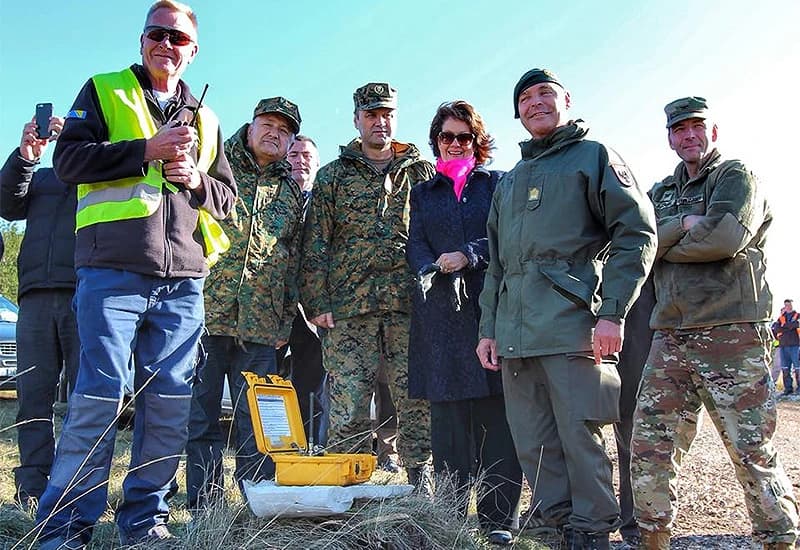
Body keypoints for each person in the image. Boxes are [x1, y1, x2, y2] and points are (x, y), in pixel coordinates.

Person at [33, 1, 236, 547]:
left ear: (193, 52)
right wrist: (146, 149)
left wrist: (193, 176)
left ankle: (145, 522)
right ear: (141, 40)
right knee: (99, 395)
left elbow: (227, 201)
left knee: (170, 405)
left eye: (178, 38)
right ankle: (65, 527)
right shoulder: (103, 89)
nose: (166, 44)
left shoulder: (210, 120)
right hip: (110, 273)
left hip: (183, 282)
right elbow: (68, 163)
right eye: (157, 33)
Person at [476, 68, 657, 550]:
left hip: (573, 324)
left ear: (566, 100)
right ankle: (552, 531)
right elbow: (497, 265)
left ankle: (594, 532)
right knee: (534, 443)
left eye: (545, 94)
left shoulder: (593, 157)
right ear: (517, 112)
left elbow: (635, 234)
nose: (535, 103)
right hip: (516, 335)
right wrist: (488, 329)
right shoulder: (510, 180)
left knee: (582, 437)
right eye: (525, 98)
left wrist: (612, 311)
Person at [631, 96, 799, 550]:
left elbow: (725, 238)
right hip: (670, 336)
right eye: (679, 129)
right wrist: (684, 224)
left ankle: (779, 539)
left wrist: (668, 241)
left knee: (752, 452)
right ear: (668, 137)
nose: (688, 135)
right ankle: (652, 540)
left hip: (733, 334)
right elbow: (640, 244)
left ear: (713, 131)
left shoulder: (735, 176)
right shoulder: (662, 191)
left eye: (696, 127)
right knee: (649, 450)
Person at [300, 82, 434, 484]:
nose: (380, 122)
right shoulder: (333, 177)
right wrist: (316, 302)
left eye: (387, 114)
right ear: (357, 120)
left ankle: (420, 482)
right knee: (349, 401)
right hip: (348, 310)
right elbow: (315, 244)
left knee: (416, 399)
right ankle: (348, 485)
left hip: (408, 306)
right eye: (372, 115)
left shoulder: (421, 171)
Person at [406, 100, 522, 546]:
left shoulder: (498, 184)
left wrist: (468, 255)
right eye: (446, 136)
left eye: (463, 137)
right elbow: (415, 242)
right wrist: (427, 267)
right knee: (448, 422)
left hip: (489, 311)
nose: (454, 144)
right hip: (439, 317)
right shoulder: (424, 192)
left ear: (477, 142)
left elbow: (506, 240)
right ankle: (451, 514)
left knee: (496, 419)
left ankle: (498, 518)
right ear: (436, 141)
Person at [186, 97, 304, 509]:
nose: (275, 133)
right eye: (268, 124)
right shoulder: (215, 163)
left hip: (261, 327)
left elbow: (292, 263)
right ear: (250, 126)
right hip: (206, 316)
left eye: (285, 130)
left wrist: (284, 323)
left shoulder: (292, 192)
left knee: (258, 424)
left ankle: (258, 505)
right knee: (200, 419)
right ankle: (205, 508)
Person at [0, 114, 80, 507]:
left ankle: (77, 485)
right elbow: (7, 204)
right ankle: (31, 488)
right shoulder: (41, 177)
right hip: (33, 300)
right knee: (32, 397)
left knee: (85, 400)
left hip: (85, 298)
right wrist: (25, 156)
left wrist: (82, 147)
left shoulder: (98, 176)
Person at [277, 134, 329, 446]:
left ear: (317, 163)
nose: (300, 160)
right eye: (294, 154)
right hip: (271, 306)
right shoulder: (271, 199)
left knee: (313, 384)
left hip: (312, 310)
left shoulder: (326, 203)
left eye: (307, 155)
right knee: (266, 380)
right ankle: (269, 453)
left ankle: (311, 450)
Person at [773, 299, 800, 395]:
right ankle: (788, 389)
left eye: (790, 304)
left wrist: (784, 326)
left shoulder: (797, 315)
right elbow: (776, 328)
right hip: (783, 346)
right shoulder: (781, 318)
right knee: (785, 368)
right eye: (786, 305)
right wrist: (788, 327)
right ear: (784, 306)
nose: (788, 306)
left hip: (795, 345)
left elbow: (796, 324)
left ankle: (799, 389)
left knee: (798, 368)